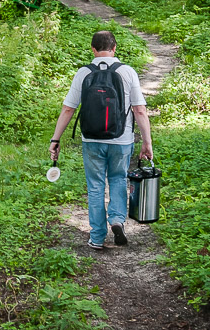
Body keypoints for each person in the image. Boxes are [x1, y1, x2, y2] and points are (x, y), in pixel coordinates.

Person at [49, 30, 153, 250]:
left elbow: (68, 109)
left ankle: (96, 237)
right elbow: (140, 110)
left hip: (92, 140)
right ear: (115, 48)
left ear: (93, 49)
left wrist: (55, 139)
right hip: (122, 139)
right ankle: (116, 219)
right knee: (117, 179)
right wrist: (147, 142)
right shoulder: (127, 72)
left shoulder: (83, 73)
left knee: (95, 186)